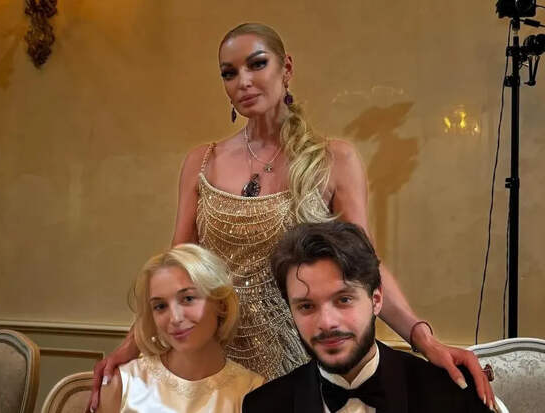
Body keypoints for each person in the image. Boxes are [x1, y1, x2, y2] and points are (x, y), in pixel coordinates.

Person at [87, 22, 494, 411]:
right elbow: (174, 273)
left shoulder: (333, 159)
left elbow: (366, 267)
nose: (243, 81)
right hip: (216, 364)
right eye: (229, 73)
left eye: (257, 64)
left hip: (297, 354)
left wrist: (425, 340)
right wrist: (129, 346)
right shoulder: (201, 162)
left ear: (287, 69)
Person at [243, 221, 498, 412]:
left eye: (343, 300)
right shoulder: (263, 406)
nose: (327, 323)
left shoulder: (451, 395)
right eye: (307, 306)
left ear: (376, 300)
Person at [96, 244, 263, 413]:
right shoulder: (123, 384)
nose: (175, 318)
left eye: (188, 298)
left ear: (221, 303)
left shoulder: (252, 392)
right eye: (160, 306)